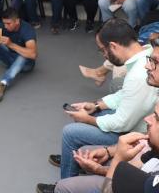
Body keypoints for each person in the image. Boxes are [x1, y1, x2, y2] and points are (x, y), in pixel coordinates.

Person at [37, 35, 159, 193]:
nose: (147, 66)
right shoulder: (142, 68)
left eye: (103, 50)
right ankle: (72, 162)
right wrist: (96, 105)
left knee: (71, 133)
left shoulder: (139, 76)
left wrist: (88, 120)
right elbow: (123, 94)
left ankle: (65, 177)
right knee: (113, 89)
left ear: (113, 46)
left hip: (132, 131)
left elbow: (124, 123)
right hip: (142, 139)